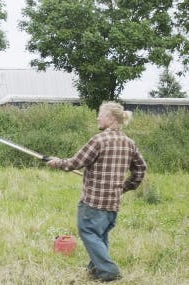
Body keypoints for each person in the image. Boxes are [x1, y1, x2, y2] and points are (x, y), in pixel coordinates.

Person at [46, 101, 147, 282]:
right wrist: (125, 187)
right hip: (113, 203)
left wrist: (57, 162)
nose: (97, 117)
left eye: (100, 114)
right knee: (100, 236)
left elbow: (74, 163)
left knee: (88, 232)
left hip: (94, 202)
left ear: (110, 117)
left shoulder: (99, 140)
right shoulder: (129, 143)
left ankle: (109, 271)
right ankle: (94, 271)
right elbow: (141, 168)